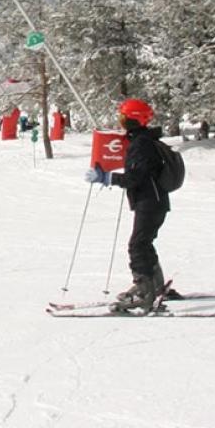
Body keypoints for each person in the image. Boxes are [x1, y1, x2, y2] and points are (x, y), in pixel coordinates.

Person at [85, 98, 173, 313]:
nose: (120, 120)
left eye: (123, 117)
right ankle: (156, 287)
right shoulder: (141, 140)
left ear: (132, 120)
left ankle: (146, 293)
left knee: (138, 245)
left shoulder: (141, 144)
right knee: (143, 242)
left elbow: (135, 178)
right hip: (152, 201)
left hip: (150, 201)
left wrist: (106, 178)